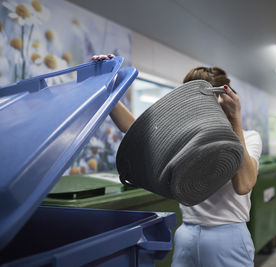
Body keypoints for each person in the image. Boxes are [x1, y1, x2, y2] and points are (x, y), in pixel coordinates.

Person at [93, 54, 262, 267]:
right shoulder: (185, 139)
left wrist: (235, 118)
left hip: (227, 236)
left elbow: (244, 185)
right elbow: (135, 130)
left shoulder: (249, 137)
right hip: (187, 234)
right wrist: (107, 87)